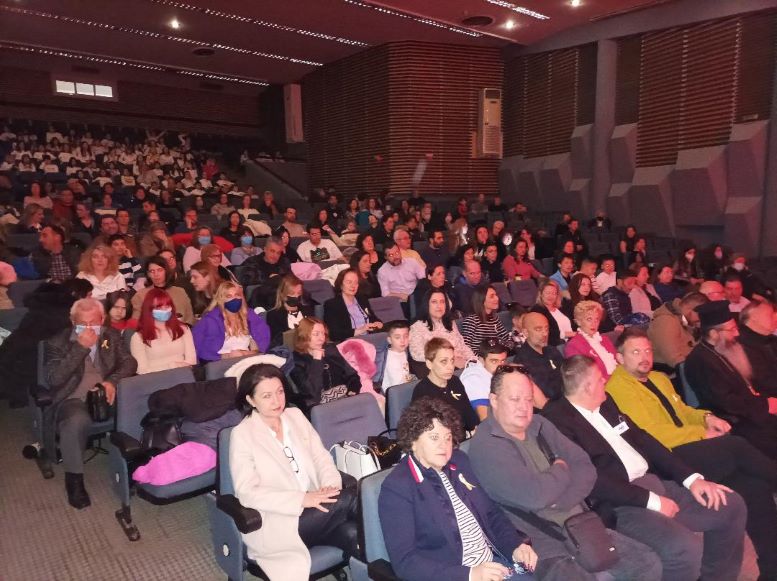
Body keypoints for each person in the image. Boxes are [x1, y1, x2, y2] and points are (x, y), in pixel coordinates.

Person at [543, 355, 747, 581]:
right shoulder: (558, 420)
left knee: (731, 506)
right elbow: (592, 478)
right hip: (621, 504)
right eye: (601, 379)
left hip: (654, 483)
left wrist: (691, 479)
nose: (605, 382)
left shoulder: (606, 402)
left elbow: (643, 438)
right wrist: (652, 501)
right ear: (588, 386)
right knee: (684, 549)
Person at [607, 326, 777, 578]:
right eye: (635, 352)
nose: (644, 357)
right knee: (736, 445)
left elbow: (683, 411)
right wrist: (700, 433)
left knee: (754, 488)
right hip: (665, 458)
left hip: (690, 448)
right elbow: (649, 434)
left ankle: (771, 569)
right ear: (619, 358)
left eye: (647, 350)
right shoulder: (617, 389)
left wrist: (706, 418)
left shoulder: (659, 378)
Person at [468, 365, 662, 581]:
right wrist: (561, 467)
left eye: (529, 399)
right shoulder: (487, 445)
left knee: (647, 564)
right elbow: (535, 496)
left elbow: (585, 467)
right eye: (515, 399)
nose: (523, 407)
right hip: (542, 544)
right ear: (494, 400)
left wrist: (561, 500)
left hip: (582, 526)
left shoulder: (540, 424)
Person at [379, 397, 538, 581]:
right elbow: (406, 562)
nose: (443, 445)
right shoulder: (397, 488)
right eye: (434, 437)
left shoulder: (459, 461)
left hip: (494, 566)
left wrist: (514, 547)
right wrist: (470, 574)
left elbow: (492, 514)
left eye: (447, 437)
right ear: (413, 441)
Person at [230, 363, 358, 580]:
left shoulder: (295, 415)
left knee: (355, 534)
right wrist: (301, 499)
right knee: (355, 499)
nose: (277, 401)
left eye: (280, 392)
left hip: (318, 510)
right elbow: (247, 492)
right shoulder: (242, 435)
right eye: (267, 396)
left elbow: (321, 457)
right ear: (250, 400)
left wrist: (329, 486)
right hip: (278, 522)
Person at [43, 298, 137, 508]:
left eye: (93, 323)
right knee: (75, 421)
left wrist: (111, 382)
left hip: (106, 395)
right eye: (81, 324)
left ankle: (136, 465)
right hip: (73, 398)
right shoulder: (56, 342)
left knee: (139, 408)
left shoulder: (110, 335)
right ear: (72, 321)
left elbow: (129, 362)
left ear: (102, 320)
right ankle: (74, 480)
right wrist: (80, 348)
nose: (87, 329)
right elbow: (53, 379)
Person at [684, 300, 777, 459]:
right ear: (714, 334)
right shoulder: (700, 361)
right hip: (732, 421)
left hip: (751, 412)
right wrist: (765, 405)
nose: (737, 334)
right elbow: (725, 402)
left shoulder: (724, 349)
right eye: (731, 329)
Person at [288, 318, 361, 414]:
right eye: (316, 334)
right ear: (303, 336)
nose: (321, 338)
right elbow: (312, 393)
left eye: (323, 333)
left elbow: (352, 375)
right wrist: (317, 361)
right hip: (320, 408)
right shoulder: (296, 360)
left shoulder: (330, 350)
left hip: (345, 398)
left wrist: (353, 389)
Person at [411, 338, 479, 433]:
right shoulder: (422, 392)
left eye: (452, 360)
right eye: (444, 361)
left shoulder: (455, 381)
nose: (450, 367)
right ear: (429, 364)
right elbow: (427, 432)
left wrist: (476, 430)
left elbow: (469, 414)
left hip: (466, 435)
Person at [192, 282, 270, 362]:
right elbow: (202, 350)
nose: (234, 299)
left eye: (237, 295)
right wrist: (228, 356)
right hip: (220, 363)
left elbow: (260, 346)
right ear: (221, 299)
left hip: (247, 360)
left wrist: (244, 354)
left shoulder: (250, 316)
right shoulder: (210, 320)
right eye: (229, 296)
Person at [129, 288, 196, 374]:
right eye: (159, 307)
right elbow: (141, 370)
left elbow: (191, 360)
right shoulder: (138, 337)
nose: (164, 310)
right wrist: (172, 366)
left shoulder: (183, 329)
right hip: (156, 379)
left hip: (184, 375)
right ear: (149, 309)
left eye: (167, 306)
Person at [409, 289, 475, 369]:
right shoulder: (417, 326)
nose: (439, 306)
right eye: (434, 302)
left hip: (463, 365)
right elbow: (416, 354)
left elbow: (462, 346)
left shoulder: (450, 323)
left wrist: (473, 361)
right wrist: (450, 360)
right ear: (427, 305)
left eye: (442, 302)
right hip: (442, 369)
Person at [647, 292, 707, 371]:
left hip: (685, 366)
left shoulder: (683, 320)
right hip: (670, 372)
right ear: (691, 310)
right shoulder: (666, 322)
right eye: (701, 315)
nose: (701, 320)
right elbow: (674, 358)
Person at [512, 312, 563, 404]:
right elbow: (544, 395)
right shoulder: (521, 362)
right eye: (538, 329)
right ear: (526, 332)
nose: (545, 334)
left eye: (546, 329)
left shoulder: (552, 351)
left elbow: (568, 376)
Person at [130, 256, 194, 325]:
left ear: (166, 271)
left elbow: (190, 318)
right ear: (148, 274)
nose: (156, 274)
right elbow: (136, 321)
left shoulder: (180, 292)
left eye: (160, 270)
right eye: (152, 271)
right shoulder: (140, 295)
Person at [323, 269, 383, 342]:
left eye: (356, 282)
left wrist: (378, 323)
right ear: (341, 285)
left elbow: (373, 318)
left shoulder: (362, 299)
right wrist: (360, 330)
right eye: (349, 282)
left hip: (369, 338)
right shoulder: (332, 304)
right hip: (349, 341)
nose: (353, 286)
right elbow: (334, 334)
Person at [564, 301, 617, 380]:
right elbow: (584, 377)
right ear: (579, 321)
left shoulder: (605, 339)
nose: (594, 323)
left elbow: (618, 363)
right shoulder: (573, 345)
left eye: (597, 319)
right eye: (589, 319)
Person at [460, 339, 509, 420]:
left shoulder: (496, 373)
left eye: (503, 361)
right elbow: (484, 418)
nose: (500, 366)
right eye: (494, 361)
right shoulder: (473, 379)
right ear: (481, 360)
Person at [738, 300, 777, 398]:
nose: (776, 317)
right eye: (770, 314)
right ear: (754, 317)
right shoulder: (743, 345)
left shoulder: (770, 339)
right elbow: (765, 382)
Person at [460, 285, 512, 356]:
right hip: (479, 359)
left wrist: (506, 350)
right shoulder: (471, 321)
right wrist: (481, 359)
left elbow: (507, 338)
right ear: (482, 300)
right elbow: (465, 347)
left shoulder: (494, 319)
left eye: (496, 295)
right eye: (492, 296)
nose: (497, 298)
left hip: (497, 356)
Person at [265, 274, 314, 347]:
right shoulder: (273, 315)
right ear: (282, 295)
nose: (296, 296)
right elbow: (277, 341)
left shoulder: (308, 310)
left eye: (299, 293)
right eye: (292, 293)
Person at [530, 280, 573, 347]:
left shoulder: (561, 308)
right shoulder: (537, 310)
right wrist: (571, 334)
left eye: (554, 293)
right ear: (541, 294)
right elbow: (548, 332)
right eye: (548, 293)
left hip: (571, 341)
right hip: (555, 345)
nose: (550, 296)